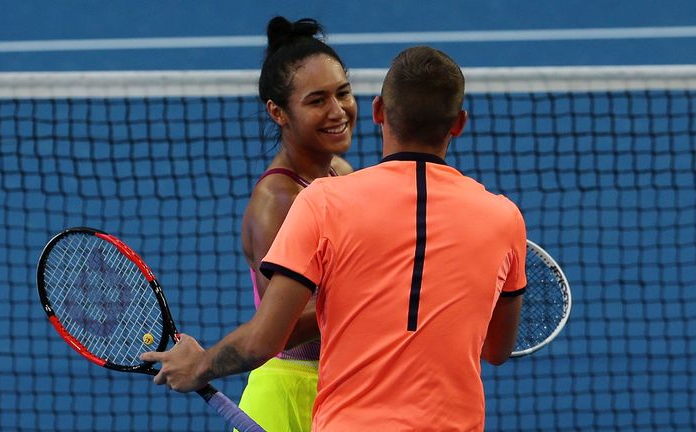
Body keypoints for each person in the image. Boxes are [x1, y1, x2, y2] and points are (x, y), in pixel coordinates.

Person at [141, 46, 525, 431]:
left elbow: (266, 339)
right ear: (458, 123)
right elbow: (496, 349)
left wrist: (199, 364)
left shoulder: (323, 202)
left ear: (378, 111)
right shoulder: (504, 219)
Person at [241, 16, 356, 432]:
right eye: (317, 100)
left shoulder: (340, 171)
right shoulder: (277, 202)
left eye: (343, 93)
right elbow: (283, 327)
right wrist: (379, 293)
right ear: (278, 112)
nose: (337, 111)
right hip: (290, 396)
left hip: (341, 384)